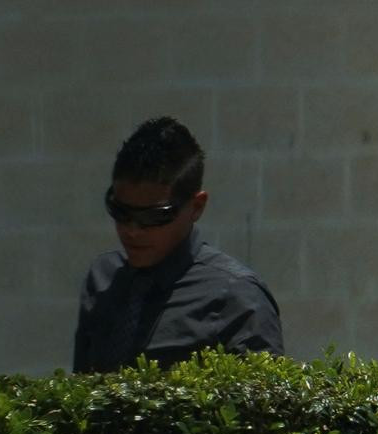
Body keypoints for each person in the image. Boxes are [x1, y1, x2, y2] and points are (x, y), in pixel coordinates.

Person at [73, 116, 283, 372]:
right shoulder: (103, 280)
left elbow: (264, 407)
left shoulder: (237, 297)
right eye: (120, 211)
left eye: (153, 216)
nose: (132, 231)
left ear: (196, 207)